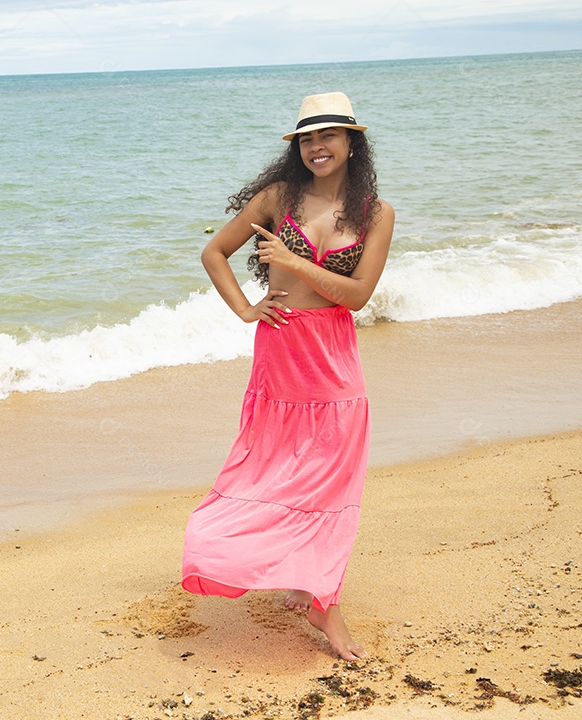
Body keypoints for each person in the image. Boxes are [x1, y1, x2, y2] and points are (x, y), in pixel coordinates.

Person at [180, 92, 394, 661]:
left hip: (335, 358)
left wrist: (296, 263)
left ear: (352, 143)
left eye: (327, 136)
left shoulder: (376, 212)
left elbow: (357, 296)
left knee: (329, 482)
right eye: (306, 138)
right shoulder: (278, 198)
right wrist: (247, 310)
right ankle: (316, 596)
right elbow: (214, 253)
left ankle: (315, 589)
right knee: (275, 472)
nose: (316, 147)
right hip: (281, 353)